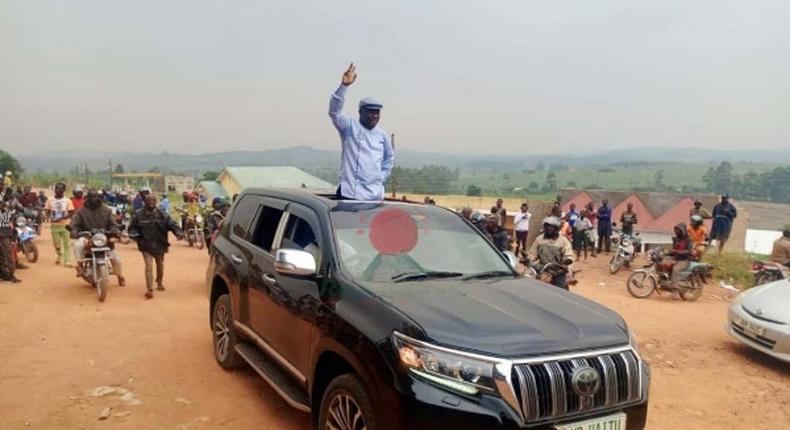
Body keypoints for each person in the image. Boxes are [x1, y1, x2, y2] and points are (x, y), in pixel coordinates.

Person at [329, 63, 394, 201]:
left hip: (375, 195)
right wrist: (344, 86)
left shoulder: (382, 135)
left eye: (377, 112)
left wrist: (380, 176)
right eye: (370, 112)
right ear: (360, 112)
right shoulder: (349, 127)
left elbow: (389, 158)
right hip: (351, 194)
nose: (374, 116)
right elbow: (334, 112)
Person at [129, 194, 183, 299]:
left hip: (160, 244)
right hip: (145, 244)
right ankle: (149, 289)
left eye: (152, 200)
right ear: (144, 202)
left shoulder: (163, 215)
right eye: (148, 200)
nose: (150, 202)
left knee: (160, 265)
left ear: (155, 202)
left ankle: (159, 282)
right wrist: (133, 233)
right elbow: (132, 227)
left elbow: (172, 224)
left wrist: (178, 232)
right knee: (148, 266)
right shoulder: (138, 215)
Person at [70, 189, 126, 286]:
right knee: (77, 245)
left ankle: (120, 276)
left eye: (96, 197)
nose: (94, 199)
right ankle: (79, 265)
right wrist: (74, 231)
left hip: (104, 238)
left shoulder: (106, 210)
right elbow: (75, 224)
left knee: (116, 259)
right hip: (87, 237)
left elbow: (113, 223)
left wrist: (114, 230)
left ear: (99, 198)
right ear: (87, 198)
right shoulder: (81, 212)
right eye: (91, 197)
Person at [528, 217, 574, 285]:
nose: (548, 228)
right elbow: (532, 254)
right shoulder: (539, 239)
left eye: (551, 226)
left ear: (556, 228)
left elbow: (569, 256)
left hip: (558, 270)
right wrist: (529, 259)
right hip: (543, 269)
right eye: (547, 226)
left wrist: (564, 262)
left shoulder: (563, 241)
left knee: (560, 289)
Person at [45, 183, 75, 266]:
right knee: (56, 244)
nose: (58, 190)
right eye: (57, 188)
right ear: (54, 190)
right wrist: (48, 216)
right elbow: (47, 210)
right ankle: (59, 255)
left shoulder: (67, 200)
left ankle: (67, 260)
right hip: (54, 225)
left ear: (63, 190)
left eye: (60, 189)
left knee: (66, 243)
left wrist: (61, 218)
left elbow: (71, 213)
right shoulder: (50, 200)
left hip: (65, 225)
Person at [668, 223, 695, 290]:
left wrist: (678, 252)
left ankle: (675, 285)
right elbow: (674, 249)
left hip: (684, 260)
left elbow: (689, 251)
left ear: (683, 230)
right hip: (676, 259)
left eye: (678, 230)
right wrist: (670, 252)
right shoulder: (675, 239)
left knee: (675, 269)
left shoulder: (688, 240)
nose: (677, 231)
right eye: (676, 230)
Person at [0, 200, 20, 282]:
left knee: (6, 254)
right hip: (3, 233)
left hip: (5, 232)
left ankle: (8, 274)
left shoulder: (7, 201)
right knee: (5, 254)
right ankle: (7, 274)